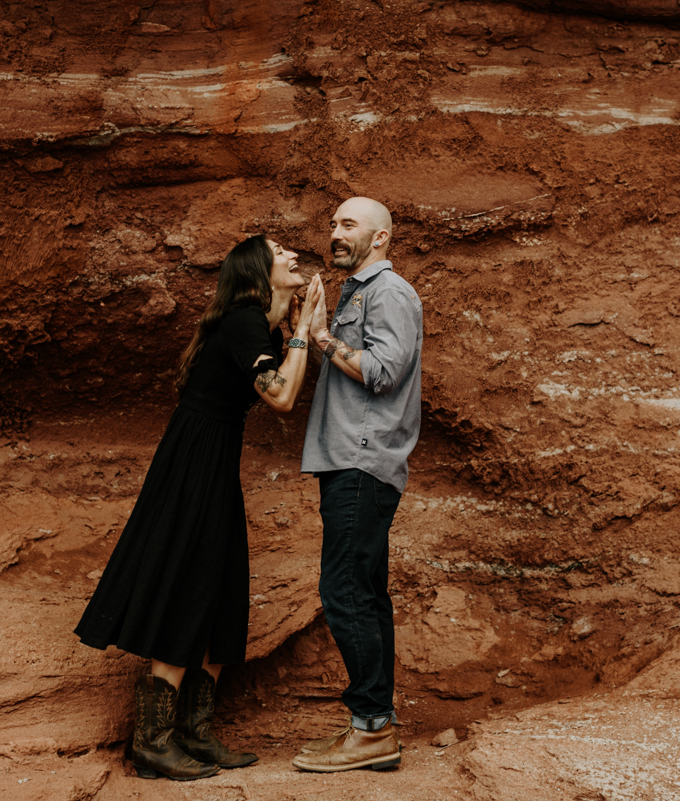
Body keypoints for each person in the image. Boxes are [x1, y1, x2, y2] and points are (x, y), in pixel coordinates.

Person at [74, 235, 325, 781]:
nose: (291, 255)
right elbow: (282, 398)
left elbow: (283, 390)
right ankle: (153, 741)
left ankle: (195, 732)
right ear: (259, 269)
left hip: (212, 456)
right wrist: (303, 333)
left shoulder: (261, 325)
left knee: (222, 583)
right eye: (280, 250)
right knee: (187, 580)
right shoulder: (242, 320)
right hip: (194, 460)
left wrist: (296, 329)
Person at [292, 197, 424, 774]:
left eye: (349, 225)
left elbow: (381, 372)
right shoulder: (357, 292)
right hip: (350, 462)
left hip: (361, 463)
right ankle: (374, 727)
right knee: (365, 596)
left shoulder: (388, 292)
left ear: (381, 238)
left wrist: (321, 337)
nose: (335, 233)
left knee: (345, 592)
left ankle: (372, 729)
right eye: (333, 224)